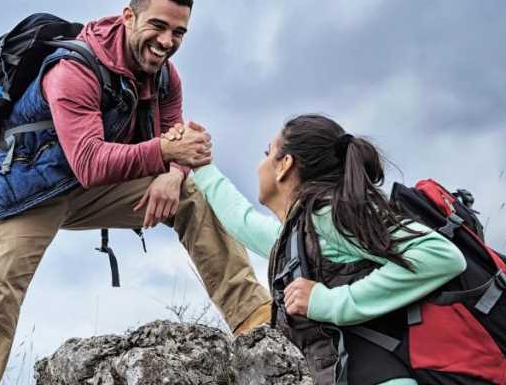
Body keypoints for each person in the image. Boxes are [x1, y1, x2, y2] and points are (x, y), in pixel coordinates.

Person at [0, 0, 272, 384]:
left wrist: (173, 175)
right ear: (128, 16)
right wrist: (166, 151)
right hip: (28, 192)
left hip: (95, 188)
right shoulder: (73, 70)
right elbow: (89, 161)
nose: (167, 41)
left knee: (193, 195)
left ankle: (255, 320)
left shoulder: (167, 78)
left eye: (178, 32)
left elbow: (176, 149)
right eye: (157, 25)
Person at [169, 114, 467, 384]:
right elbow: (243, 223)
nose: (260, 163)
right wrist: (202, 167)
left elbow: (442, 256)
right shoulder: (302, 234)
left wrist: (333, 302)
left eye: (267, 153)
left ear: (285, 165)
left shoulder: (329, 216)